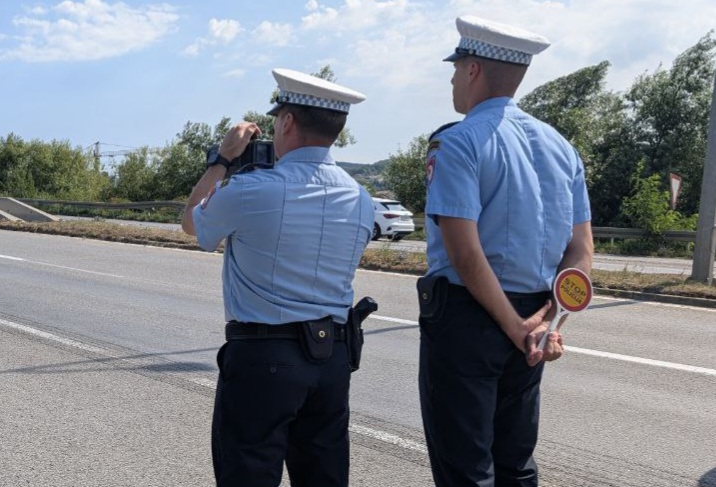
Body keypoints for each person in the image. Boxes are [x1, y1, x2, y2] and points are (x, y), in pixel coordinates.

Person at [418, 15, 594, 487]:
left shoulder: (457, 142)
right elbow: (581, 252)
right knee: (515, 463)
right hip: (534, 317)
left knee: (465, 469)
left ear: (473, 69)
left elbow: (465, 254)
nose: (453, 80)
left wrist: (513, 324)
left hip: (471, 317)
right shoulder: (562, 147)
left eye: (456, 69)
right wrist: (548, 322)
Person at [182, 68, 374, 487]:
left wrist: (222, 160)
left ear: (287, 122)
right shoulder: (361, 198)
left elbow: (191, 223)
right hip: (332, 357)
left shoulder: (251, 190)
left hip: (264, 356)